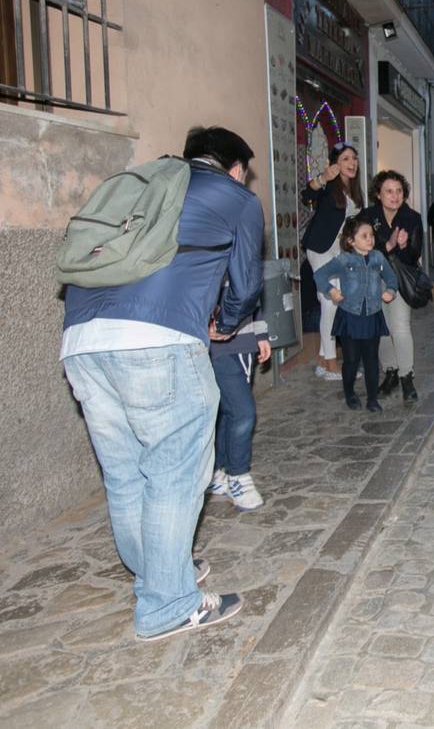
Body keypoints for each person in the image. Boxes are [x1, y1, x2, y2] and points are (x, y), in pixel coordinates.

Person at [61, 126, 263, 640]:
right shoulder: (237, 197)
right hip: (159, 338)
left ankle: (158, 574)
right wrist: (226, 324)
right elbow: (245, 283)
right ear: (236, 168)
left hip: (82, 341)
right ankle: (168, 603)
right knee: (174, 471)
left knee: (126, 474)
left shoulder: (144, 182)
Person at [313, 218, 399, 412]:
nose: (370, 239)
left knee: (371, 359)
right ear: (351, 241)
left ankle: (372, 399)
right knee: (351, 360)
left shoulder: (378, 258)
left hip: (372, 315)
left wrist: (390, 291)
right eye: (364, 236)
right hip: (350, 316)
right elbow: (319, 275)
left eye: (372, 235)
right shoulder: (344, 260)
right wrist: (331, 291)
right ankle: (350, 392)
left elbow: (391, 278)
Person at [301, 142, 364, 380]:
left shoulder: (356, 191)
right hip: (319, 249)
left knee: (334, 302)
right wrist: (321, 178)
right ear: (336, 163)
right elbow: (307, 195)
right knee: (331, 301)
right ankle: (331, 364)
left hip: (339, 251)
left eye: (354, 158)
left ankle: (322, 362)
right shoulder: (329, 186)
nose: (352, 163)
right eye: (346, 158)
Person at [360, 169, 423, 403]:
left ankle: (407, 376)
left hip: (398, 279)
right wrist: (388, 245)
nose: (394, 196)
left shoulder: (412, 217)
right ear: (378, 194)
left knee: (400, 326)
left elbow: (416, 253)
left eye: (398, 191)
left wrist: (406, 246)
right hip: (373, 280)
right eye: (389, 191)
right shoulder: (367, 216)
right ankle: (391, 371)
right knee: (381, 329)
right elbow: (360, 250)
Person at [207, 298, 272, 511]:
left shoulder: (245, 264)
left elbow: (252, 297)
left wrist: (260, 335)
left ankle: (217, 472)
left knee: (229, 411)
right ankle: (238, 475)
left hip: (244, 344)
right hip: (216, 346)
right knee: (243, 412)